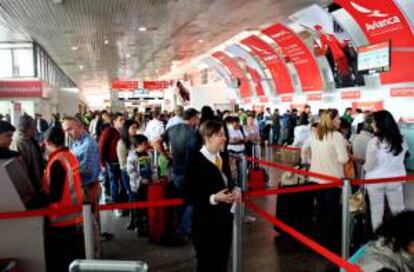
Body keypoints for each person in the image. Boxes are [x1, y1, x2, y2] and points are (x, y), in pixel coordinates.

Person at [187, 120, 237, 272]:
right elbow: (188, 194)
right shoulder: (195, 161)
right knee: (207, 263)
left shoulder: (222, 157)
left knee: (222, 261)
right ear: (208, 138)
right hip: (205, 225)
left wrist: (233, 191)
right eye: (220, 135)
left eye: (224, 134)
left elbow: (225, 184)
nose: (225, 138)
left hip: (224, 221)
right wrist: (213, 198)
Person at [303, 108, 349, 251]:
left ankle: (319, 238)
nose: (340, 121)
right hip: (332, 179)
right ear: (332, 120)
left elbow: (304, 148)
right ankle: (330, 243)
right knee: (331, 211)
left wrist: (307, 161)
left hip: (315, 177)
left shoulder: (315, 133)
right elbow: (344, 159)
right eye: (338, 118)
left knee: (320, 209)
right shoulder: (336, 136)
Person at [42, 126, 84, 272]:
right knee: (74, 257)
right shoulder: (69, 156)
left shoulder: (56, 162)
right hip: (74, 214)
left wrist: (33, 201)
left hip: (61, 217)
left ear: (47, 142)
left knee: (63, 260)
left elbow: (55, 194)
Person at [156, 108, 201, 241]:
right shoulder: (194, 133)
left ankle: (184, 228)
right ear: (192, 118)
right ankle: (183, 229)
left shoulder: (172, 129)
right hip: (191, 172)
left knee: (182, 201)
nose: (198, 121)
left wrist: (166, 156)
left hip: (176, 170)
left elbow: (156, 143)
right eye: (197, 118)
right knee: (193, 201)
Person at [364, 110, 408, 231]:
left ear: (380, 124)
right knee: (398, 210)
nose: (372, 124)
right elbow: (401, 159)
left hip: (376, 181)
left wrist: (364, 166)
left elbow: (369, 166)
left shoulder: (374, 142)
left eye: (373, 122)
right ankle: (401, 238)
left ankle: (378, 239)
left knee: (377, 211)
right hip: (395, 179)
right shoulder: (402, 140)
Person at [11, 115, 44, 195]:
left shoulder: (29, 139)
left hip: (36, 181)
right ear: (27, 129)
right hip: (30, 185)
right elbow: (22, 168)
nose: (35, 130)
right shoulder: (19, 142)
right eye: (33, 128)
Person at [99, 112, 126, 210]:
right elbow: (101, 147)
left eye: (123, 120)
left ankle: (122, 203)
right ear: (114, 121)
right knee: (114, 183)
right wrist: (102, 164)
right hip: (112, 162)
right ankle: (116, 205)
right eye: (120, 120)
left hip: (122, 162)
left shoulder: (123, 132)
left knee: (123, 183)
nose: (123, 122)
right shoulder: (109, 131)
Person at [127, 134, 153, 236]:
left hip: (148, 184)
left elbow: (153, 167)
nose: (146, 145)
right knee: (138, 207)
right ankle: (138, 226)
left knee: (146, 206)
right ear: (138, 145)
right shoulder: (132, 157)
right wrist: (141, 180)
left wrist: (154, 177)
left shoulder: (149, 154)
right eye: (144, 144)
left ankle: (146, 224)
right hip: (137, 186)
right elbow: (131, 172)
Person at [117, 119, 139, 228]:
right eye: (133, 128)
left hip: (137, 172)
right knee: (131, 195)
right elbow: (123, 163)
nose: (135, 130)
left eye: (136, 127)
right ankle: (133, 219)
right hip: (127, 173)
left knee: (136, 196)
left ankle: (137, 218)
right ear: (127, 129)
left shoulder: (136, 140)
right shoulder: (122, 143)